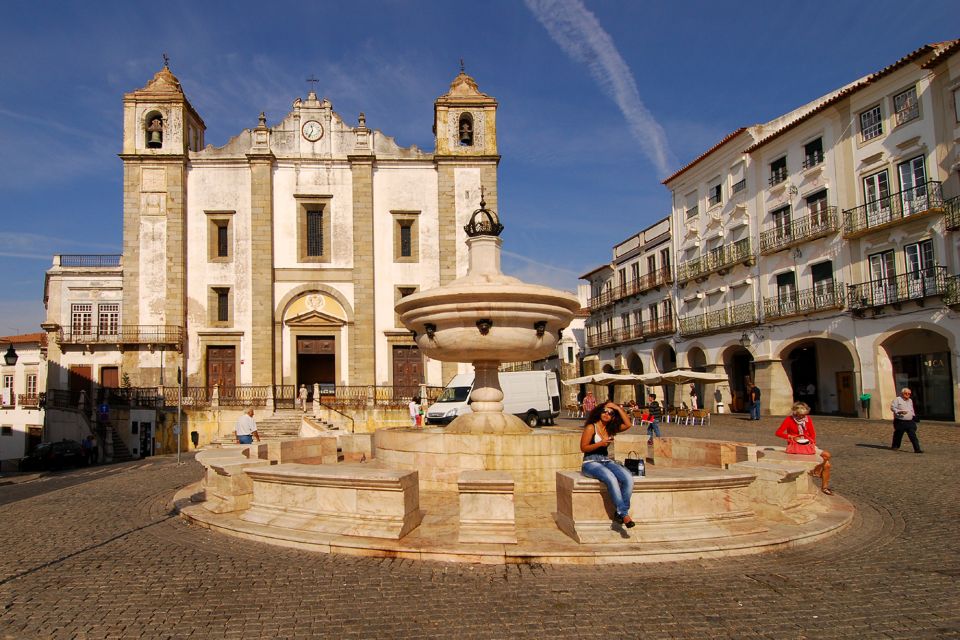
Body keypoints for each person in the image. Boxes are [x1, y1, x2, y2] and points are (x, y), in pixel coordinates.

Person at [580, 401, 636, 528]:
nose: (606, 414)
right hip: (590, 462)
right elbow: (583, 448)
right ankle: (624, 514)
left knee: (628, 477)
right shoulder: (591, 427)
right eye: (604, 411)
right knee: (610, 478)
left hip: (606, 460)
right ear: (599, 412)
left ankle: (620, 512)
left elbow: (628, 424)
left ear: (613, 417)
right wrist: (600, 443)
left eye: (610, 413)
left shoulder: (611, 428)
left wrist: (616, 407)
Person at [776, 402, 832, 494]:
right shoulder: (789, 420)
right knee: (827, 463)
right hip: (796, 446)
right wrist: (791, 436)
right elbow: (778, 433)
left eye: (804, 415)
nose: (802, 417)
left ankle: (820, 477)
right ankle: (820, 477)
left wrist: (811, 442)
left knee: (827, 458)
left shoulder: (807, 419)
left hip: (807, 445)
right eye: (800, 415)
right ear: (795, 412)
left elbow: (812, 433)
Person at [890, 387, 923, 453]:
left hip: (909, 421)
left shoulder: (910, 400)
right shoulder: (897, 399)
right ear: (902, 393)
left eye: (909, 394)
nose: (907, 395)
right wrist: (899, 411)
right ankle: (895, 446)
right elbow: (892, 408)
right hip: (900, 421)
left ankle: (917, 449)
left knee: (913, 435)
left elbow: (911, 409)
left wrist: (913, 416)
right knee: (898, 435)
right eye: (906, 393)